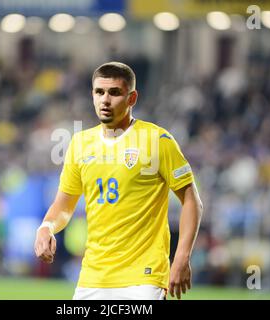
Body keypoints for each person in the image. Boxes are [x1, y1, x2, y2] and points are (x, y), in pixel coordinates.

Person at [34, 62, 203, 300]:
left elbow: (191, 200)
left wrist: (182, 257)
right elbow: (64, 205)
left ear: (132, 98)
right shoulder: (80, 144)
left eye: (114, 93)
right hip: (93, 277)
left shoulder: (157, 140)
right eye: (99, 92)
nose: (105, 100)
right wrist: (46, 227)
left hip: (143, 278)